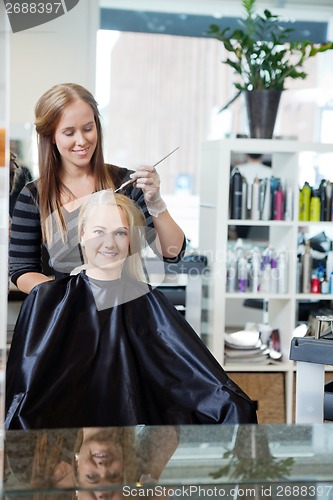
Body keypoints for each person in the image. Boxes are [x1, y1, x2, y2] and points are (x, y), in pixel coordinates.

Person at [5, 190, 257, 430]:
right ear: (82, 234)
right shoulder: (47, 300)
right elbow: (24, 399)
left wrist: (236, 411)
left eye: (120, 233)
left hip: (135, 445)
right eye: (98, 232)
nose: (108, 243)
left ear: (131, 240)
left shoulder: (149, 302)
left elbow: (201, 385)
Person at [9, 82, 185, 295]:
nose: (81, 141)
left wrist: (156, 203)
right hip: (67, 313)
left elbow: (172, 253)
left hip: (126, 311)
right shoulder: (33, 197)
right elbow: (22, 269)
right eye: (69, 132)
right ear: (51, 137)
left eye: (88, 128)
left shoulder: (127, 185)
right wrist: (65, 295)